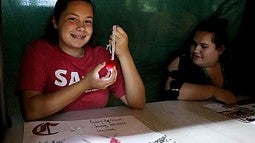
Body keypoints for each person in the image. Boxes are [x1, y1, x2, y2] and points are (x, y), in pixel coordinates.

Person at [17, 0, 145, 121]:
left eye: (88, 21)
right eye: (72, 19)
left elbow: (137, 102)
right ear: (55, 22)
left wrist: (124, 54)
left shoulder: (101, 55)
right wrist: (86, 84)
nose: (81, 27)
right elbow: (30, 111)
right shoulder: (39, 50)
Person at [163, 17, 236, 105]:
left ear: (220, 50)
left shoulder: (229, 64)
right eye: (194, 44)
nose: (195, 50)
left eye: (203, 46)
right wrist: (214, 91)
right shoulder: (181, 61)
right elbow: (171, 89)